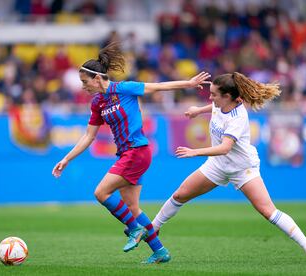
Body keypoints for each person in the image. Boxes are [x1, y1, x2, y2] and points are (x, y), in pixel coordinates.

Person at [52, 42, 210, 264]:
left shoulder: (124, 88)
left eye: (84, 82)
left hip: (137, 152)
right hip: (127, 154)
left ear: (98, 78)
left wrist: (189, 83)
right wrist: (66, 159)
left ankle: (134, 229)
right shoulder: (97, 102)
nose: (83, 86)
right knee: (132, 206)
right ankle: (160, 251)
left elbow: (158, 87)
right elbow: (89, 136)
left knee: (101, 193)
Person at [151, 72, 306, 263]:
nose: (210, 97)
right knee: (179, 195)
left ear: (227, 97)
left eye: (214, 94)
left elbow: (225, 148)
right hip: (217, 165)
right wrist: (199, 111)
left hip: (242, 169)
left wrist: (195, 152)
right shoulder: (221, 103)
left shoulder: (238, 117)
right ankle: (152, 229)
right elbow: (215, 108)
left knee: (268, 211)